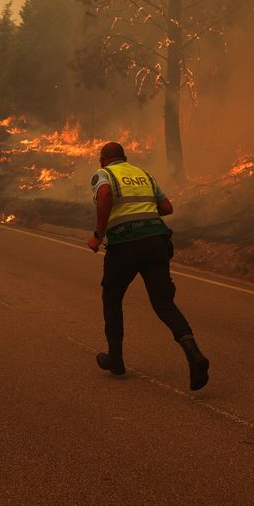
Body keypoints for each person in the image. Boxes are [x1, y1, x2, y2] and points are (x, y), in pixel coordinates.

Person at [86, 141, 209, 391]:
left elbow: (106, 194)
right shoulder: (144, 175)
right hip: (156, 242)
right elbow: (166, 207)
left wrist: (99, 234)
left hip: (124, 244)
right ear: (126, 158)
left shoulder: (104, 174)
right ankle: (193, 353)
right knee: (163, 303)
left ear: (102, 161)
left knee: (112, 297)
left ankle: (116, 359)